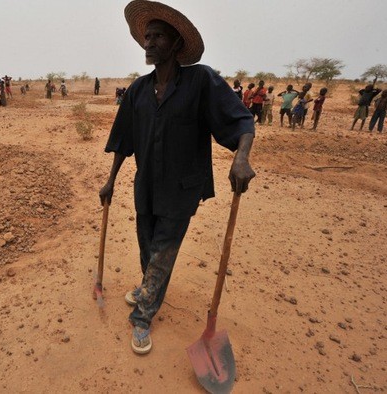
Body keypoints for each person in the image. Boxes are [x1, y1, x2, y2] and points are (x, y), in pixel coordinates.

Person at [99, 0, 255, 355]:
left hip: (182, 187)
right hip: (147, 186)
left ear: (176, 44)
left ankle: (143, 315)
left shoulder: (201, 80)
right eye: (147, 37)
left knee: (164, 250)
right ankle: (149, 287)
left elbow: (241, 120)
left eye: (158, 37)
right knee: (147, 245)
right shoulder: (138, 90)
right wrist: (110, 180)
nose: (149, 43)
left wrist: (241, 157)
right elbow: (123, 140)